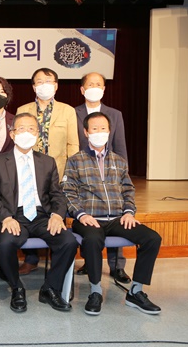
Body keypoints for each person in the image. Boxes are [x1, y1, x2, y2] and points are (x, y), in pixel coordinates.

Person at [62, 112, 162, 316]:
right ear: (86, 132)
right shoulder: (75, 161)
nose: (99, 132)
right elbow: (67, 192)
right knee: (92, 240)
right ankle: (95, 291)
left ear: (109, 131)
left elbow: (128, 189)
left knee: (152, 238)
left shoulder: (119, 161)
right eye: (94, 129)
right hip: (88, 219)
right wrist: (80, 214)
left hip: (117, 219)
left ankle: (136, 291)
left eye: (103, 129)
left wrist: (129, 212)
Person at [0, 113, 78, 313]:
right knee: (6, 243)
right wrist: (6, 218)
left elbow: (57, 194)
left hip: (42, 216)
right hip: (13, 216)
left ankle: (50, 288)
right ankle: (17, 288)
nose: (26, 133)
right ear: (12, 134)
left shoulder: (48, 162)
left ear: (37, 134)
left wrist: (57, 215)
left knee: (68, 241)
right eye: (21, 129)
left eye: (31, 129)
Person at [15, 67, 78, 275]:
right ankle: (31, 259)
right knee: (29, 212)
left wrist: (69, 175)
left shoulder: (67, 111)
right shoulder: (23, 109)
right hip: (29, 173)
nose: (44, 85)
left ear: (56, 86)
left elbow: (73, 145)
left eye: (49, 81)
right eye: (39, 82)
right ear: (34, 87)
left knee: (55, 215)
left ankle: (57, 262)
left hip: (57, 173)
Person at [74, 72, 131, 283]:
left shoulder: (115, 114)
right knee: (89, 220)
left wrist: (122, 173)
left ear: (104, 89)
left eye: (98, 84)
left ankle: (117, 266)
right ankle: (89, 262)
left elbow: (120, 146)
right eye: (90, 84)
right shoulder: (73, 113)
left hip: (110, 172)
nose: (94, 87)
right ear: (82, 89)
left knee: (115, 215)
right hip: (85, 174)